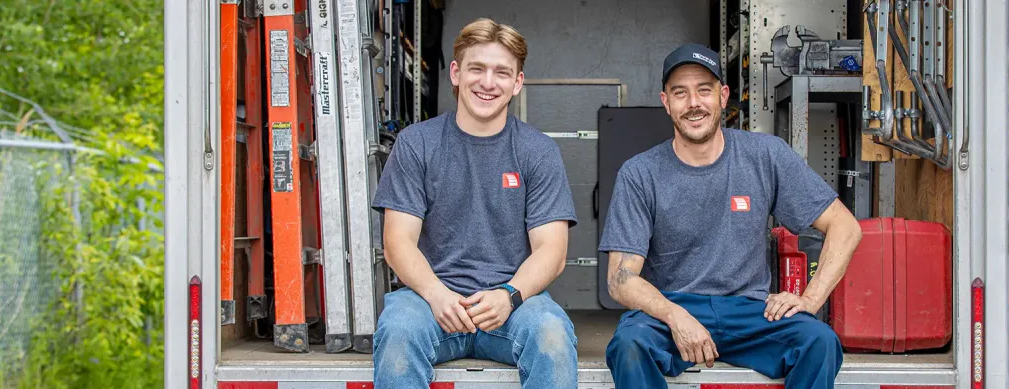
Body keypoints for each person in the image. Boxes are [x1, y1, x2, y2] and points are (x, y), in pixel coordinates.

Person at [598, 43, 863, 389]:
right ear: (666, 102)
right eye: (680, 93)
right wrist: (675, 316)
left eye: (704, 91)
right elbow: (620, 279)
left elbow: (845, 226)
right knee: (628, 345)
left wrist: (809, 300)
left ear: (723, 96)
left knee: (819, 342)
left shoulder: (764, 155)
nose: (693, 103)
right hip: (672, 307)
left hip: (750, 311)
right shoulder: (640, 174)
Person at [369, 17, 580, 389]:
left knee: (552, 334)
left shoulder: (538, 151)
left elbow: (553, 250)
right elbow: (397, 242)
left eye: (502, 72)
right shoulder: (418, 144)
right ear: (455, 73)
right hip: (428, 301)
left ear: (517, 82)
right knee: (398, 330)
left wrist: (509, 295)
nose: (487, 82)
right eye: (476, 68)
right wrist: (436, 295)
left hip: (513, 305)